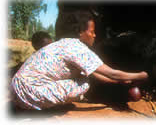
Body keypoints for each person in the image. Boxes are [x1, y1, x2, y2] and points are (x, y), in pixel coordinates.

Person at [10, 12, 148, 110]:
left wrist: (121, 81)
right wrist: (143, 75)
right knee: (84, 83)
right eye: (92, 31)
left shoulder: (64, 43)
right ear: (80, 32)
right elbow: (112, 73)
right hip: (30, 94)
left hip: (16, 89)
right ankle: (40, 105)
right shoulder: (78, 48)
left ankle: (32, 103)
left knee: (83, 77)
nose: (95, 35)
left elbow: (99, 75)